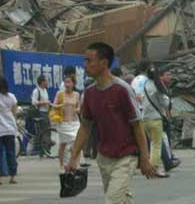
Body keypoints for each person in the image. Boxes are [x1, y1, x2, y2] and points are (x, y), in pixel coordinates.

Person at [66, 42, 154, 204]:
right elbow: (85, 127)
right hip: (104, 157)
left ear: (104, 63)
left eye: (89, 61)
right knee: (122, 199)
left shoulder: (122, 90)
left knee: (112, 200)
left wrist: (145, 158)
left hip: (126, 156)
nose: (85, 65)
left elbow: (137, 125)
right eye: (84, 61)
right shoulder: (89, 94)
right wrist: (73, 157)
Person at [141, 66, 171, 178]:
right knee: (156, 145)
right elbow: (165, 103)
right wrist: (167, 99)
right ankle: (154, 169)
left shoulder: (145, 85)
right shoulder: (157, 86)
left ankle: (152, 168)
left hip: (145, 119)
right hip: (155, 118)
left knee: (151, 144)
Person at [0, 76, 18, 185]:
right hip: (10, 129)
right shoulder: (11, 97)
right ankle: (12, 176)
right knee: (11, 153)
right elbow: (15, 112)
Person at [52, 76, 80, 172]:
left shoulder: (76, 94)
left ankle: (75, 164)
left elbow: (79, 107)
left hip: (75, 123)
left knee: (76, 144)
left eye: (69, 82)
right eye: (66, 82)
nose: (67, 84)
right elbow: (54, 105)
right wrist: (62, 105)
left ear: (73, 84)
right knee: (63, 144)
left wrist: (76, 109)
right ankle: (61, 164)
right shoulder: (60, 94)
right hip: (63, 123)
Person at [31, 75, 50, 154]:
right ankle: (43, 149)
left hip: (46, 112)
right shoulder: (36, 91)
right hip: (40, 113)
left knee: (47, 130)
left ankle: (46, 148)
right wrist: (44, 102)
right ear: (42, 82)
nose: (47, 82)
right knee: (43, 130)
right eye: (46, 81)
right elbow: (34, 102)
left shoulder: (45, 90)